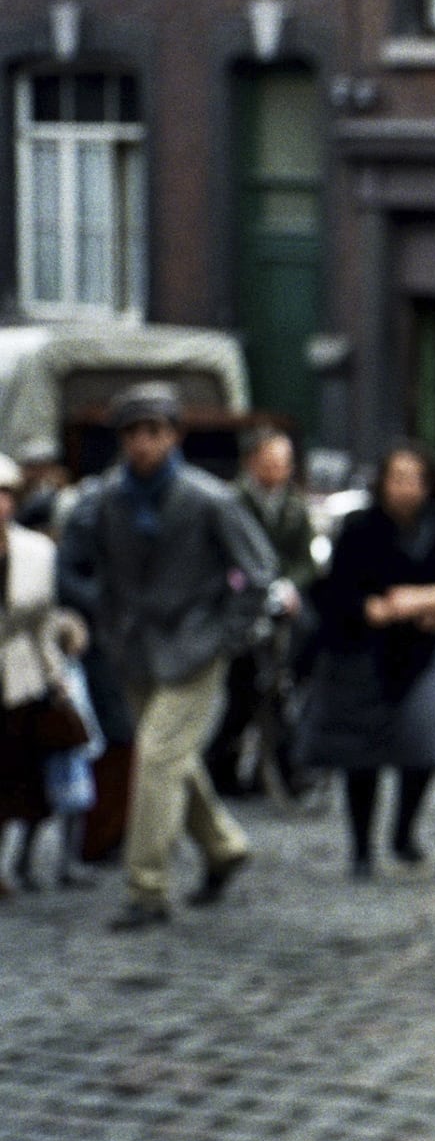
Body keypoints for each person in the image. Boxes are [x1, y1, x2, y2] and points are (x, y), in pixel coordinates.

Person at [60, 382, 278, 931]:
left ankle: (146, 887)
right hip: (134, 650)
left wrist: (227, 635)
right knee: (172, 759)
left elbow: (258, 572)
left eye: (154, 431)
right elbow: (75, 562)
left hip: (195, 647)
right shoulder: (106, 499)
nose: (143, 443)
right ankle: (224, 846)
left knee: (157, 757)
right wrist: (104, 614)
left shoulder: (209, 498)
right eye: (133, 433)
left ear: (174, 436)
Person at [303, 443, 435, 879]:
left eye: (414, 479)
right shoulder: (360, 528)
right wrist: (370, 607)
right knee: (362, 756)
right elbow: (336, 591)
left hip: (422, 654)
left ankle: (403, 832)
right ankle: (361, 847)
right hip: (364, 655)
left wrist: (422, 601)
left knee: (423, 746)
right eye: (397, 478)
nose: (406, 488)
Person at [0, 454, 95, 895]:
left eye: (5, 495)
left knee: (27, 773)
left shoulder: (36, 551)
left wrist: (56, 677)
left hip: (22, 675)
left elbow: (41, 622)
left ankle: (18, 863)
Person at [210, 428, 317, 796]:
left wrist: (288, 584)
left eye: (284, 463)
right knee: (242, 691)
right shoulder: (231, 502)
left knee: (286, 686)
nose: (278, 471)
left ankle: (283, 768)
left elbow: (306, 559)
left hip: (284, 604)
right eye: (270, 463)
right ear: (251, 462)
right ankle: (223, 767)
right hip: (241, 603)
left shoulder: (293, 505)